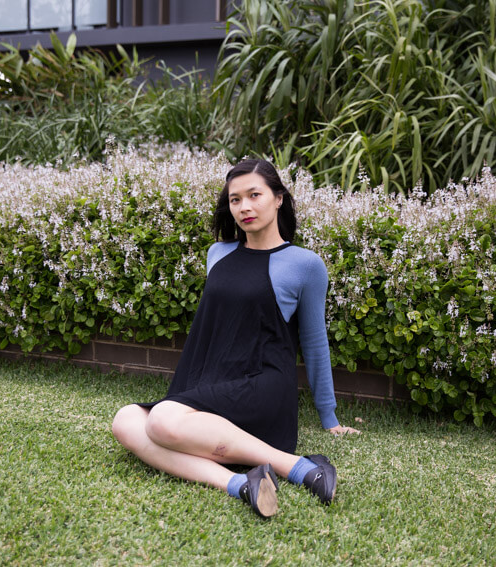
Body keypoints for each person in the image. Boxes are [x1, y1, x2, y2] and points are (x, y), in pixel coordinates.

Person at [111, 159, 360, 518]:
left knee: (162, 421)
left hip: (262, 386)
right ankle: (242, 484)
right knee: (125, 422)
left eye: (254, 195)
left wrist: (329, 417)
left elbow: (315, 343)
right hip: (214, 383)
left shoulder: (305, 264)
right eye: (235, 199)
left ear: (278, 199)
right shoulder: (218, 254)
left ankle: (300, 467)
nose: (244, 207)